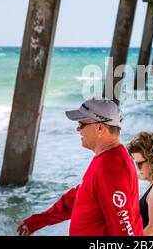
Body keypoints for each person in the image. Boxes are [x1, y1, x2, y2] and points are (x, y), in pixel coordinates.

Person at [17, 98, 143, 236]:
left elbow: (124, 226)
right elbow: (81, 196)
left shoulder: (111, 167)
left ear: (100, 128)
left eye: (81, 124)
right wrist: (39, 220)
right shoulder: (106, 158)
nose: (78, 129)